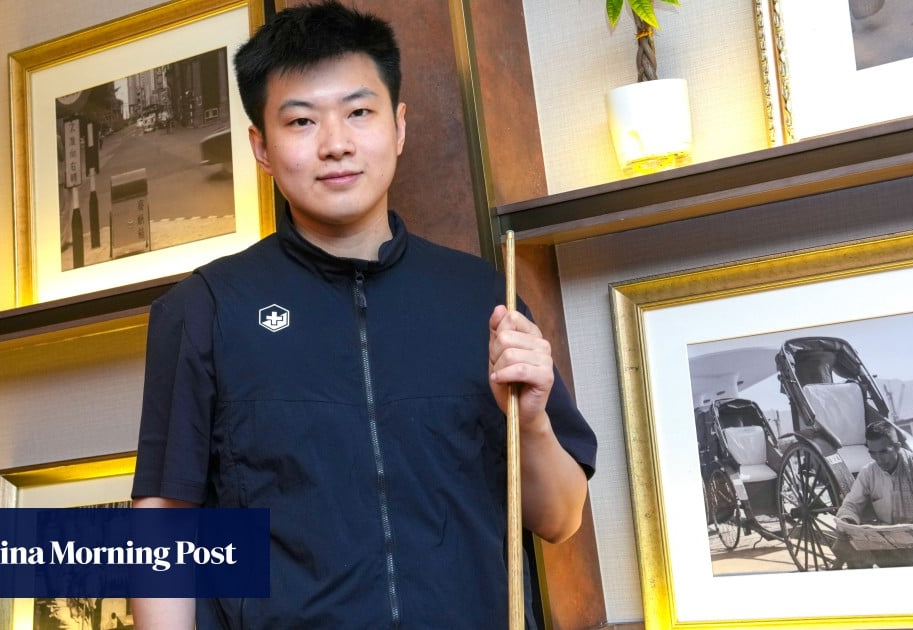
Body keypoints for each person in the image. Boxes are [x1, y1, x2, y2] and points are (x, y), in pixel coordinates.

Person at [129, 3, 596, 628]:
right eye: (301, 121)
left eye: (359, 112)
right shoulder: (206, 308)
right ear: (261, 147)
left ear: (398, 127)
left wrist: (531, 421)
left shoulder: (484, 296)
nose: (336, 144)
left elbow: (560, 518)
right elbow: (163, 529)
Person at [833, 421, 913, 568]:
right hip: (887, 542)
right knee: (843, 546)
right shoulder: (868, 472)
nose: (878, 459)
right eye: (873, 453)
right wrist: (846, 520)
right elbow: (851, 504)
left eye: (883, 452)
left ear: (897, 447)